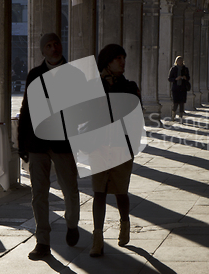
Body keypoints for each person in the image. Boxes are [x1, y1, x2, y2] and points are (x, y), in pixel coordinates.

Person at [18, 33, 80, 260]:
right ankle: (42, 241)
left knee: (70, 189)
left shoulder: (74, 74)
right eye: (49, 45)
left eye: (57, 44)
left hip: (63, 142)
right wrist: (21, 143)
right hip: (37, 142)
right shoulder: (34, 74)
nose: (54, 48)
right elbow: (26, 110)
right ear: (42, 51)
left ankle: (72, 223)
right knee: (38, 194)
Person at [90, 44, 141, 257]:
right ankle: (97, 238)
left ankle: (125, 223)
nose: (122, 61)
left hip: (121, 145)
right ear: (107, 62)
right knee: (99, 192)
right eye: (117, 58)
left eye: (123, 57)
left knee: (121, 191)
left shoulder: (129, 86)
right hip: (99, 145)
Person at [168, 56, 190, 123]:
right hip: (176, 88)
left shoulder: (185, 69)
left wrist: (185, 77)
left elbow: (188, 78)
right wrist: (176, 79)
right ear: (176, 61)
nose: (180, 62)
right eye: (179, 60)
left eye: (181, 60)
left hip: (183, 88)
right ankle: (173, 116)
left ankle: (180, 118)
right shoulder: (173, 69)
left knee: (182, 103)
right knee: (175, 103)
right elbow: (169, 78)